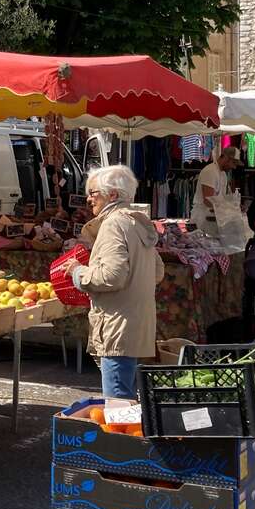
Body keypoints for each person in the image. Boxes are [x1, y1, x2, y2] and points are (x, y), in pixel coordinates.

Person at [61, 165, 164, 400]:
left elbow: (111, 277)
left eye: (93, 193)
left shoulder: (113, 224)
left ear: (113, 194)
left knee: (118, 404)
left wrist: (78, 272)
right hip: (135, 324)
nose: (89, 199)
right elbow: (157, 271)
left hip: (118, 326)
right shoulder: (137, 223)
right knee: (128, 400)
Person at [190, 146, 241, 233]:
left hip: (213, 219)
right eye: (233, 163)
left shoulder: (223, 175)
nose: (234, 167)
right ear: (226, 158)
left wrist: (233, 205)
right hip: (203, 219)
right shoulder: (210, 171)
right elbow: (208, 200)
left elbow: (221, 198)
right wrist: (229, 209)